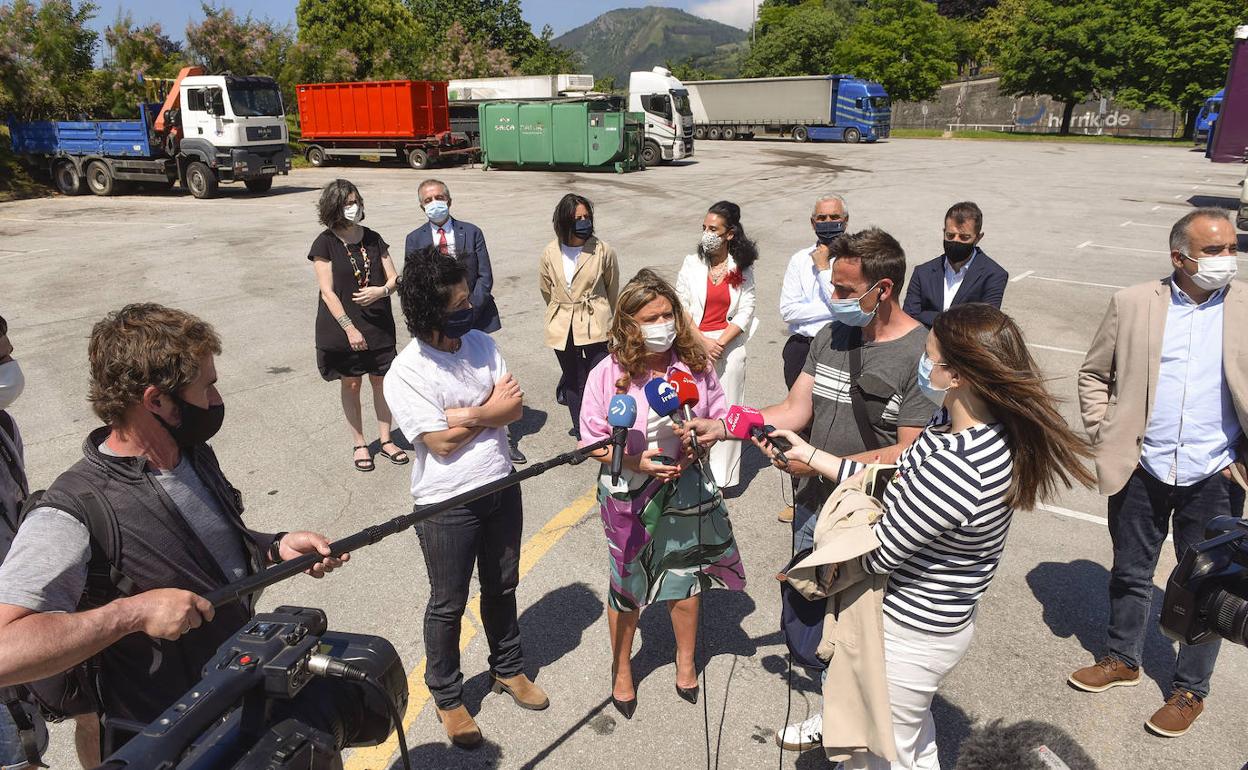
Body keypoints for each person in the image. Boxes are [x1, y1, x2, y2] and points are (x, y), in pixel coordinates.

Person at [0, 304, 344, 763]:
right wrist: (131, 613)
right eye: (207, 386)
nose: (216, 399)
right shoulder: (72, 510)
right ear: (156, 401)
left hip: (233, 702)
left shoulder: (190, 454)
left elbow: (196, 548)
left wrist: (272, 547)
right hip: (165, 737)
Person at [760, 303, 1095, 770]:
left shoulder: (959, 467)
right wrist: (814, 456)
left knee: (880, 753)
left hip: (907, 632)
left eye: (929, 355)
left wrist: (834, 532)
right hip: (930, 623)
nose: (921, 362)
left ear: (956, 375)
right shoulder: (955, 428)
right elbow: (894, 476)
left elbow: (878, 556)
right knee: (911, 738)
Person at [682, 228, 934, 750]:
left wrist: (818, 462)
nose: (832, 298)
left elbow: (908, 453)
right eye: (832, 286)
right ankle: (832, 712)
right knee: (815, 616)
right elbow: (795, 410)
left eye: (844, 290)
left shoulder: (920, 354)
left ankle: (866, 731)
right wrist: (726, 425)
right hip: (815, 507)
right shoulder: (830, 336)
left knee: (861, 629)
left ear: (883, 289)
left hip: (872, 519)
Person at [1069, 207, 1248, 738]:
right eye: (1214, 250)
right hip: (1141, 466)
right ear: (1179, 257)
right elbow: (1093, 373)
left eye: (1231, 248)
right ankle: (1122, 658)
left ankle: (1190, 689)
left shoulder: (1245, 305)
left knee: (1208, 588)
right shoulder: (1132, 303)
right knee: (1130, 571)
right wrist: (1104, 430)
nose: (1228, 258)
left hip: (1215, 473)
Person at [383, 246, 545, 750]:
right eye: (457, 303)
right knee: (448, 603)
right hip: (446, 503)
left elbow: (513, 408)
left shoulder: (481, 343)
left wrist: (462, 415)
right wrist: (485, 412)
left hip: (500, 484)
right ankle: (448, 696)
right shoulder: (407, 371)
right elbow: (439, 444)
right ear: (429, 312)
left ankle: (508, 668)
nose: (468, 307)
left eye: (466, 297)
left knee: (502, 585)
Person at [579, 269, 746, 719]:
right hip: (628, 493)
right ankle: (621, 668)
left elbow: (718, 416)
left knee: (685, 577)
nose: (663, 325)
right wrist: (635, 461)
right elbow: (591, 440)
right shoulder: (607, 374)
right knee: (626, 583)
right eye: (651, 318)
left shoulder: (693, 366)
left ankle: (685, 661)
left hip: (686, 486)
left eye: (668, 314)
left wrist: (699, 445)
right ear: (628, 324)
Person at [404, 179, 526, 465]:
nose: (434, 203)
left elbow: (485, 277)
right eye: (428, 200)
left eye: (439, 197)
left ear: (449, 200)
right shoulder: (415, 239)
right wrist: (441, 318)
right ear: (421, 206)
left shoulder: (471, 232)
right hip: (438, 324)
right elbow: (415, 285)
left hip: (474, 317)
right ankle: (456, 430)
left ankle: (503, 436)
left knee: (487, 381)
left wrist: (467, 312)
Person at [308, 179, 406, 473]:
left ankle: (386, 440)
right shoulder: (325, 242)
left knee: (381, 380)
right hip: (343, 326)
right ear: (335, 206)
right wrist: (349, 328)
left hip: (378, 323)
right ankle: (360, 443)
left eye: (356, 201)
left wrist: (381, 291)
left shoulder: (373, 238)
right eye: (348, 203)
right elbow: (327, 292)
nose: (354, 207)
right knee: (351, 383)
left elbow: (394, 278)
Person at [675, 200, 757, 490]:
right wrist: (702, 341)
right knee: (694, 408)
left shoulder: (742, 267)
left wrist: (719, 343)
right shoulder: (692, 263)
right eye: (704, 228)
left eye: (714, 229)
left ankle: (723, 478)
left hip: (728, 345)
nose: (707, 234)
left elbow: (747, 309)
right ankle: (691, 469)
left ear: (730, 234)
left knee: (728, 410)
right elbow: (681, 305)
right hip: (695, 341)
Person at [0, 314, 50, 770]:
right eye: (1, 360)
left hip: (13, 611)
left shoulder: (4, 427)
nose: (11, 367)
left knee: (26, 748)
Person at [539, 193, 619, 439]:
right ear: (564, 221)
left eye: (587, 217)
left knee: (601, 377)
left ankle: (604, 427)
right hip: (563, 324)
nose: (584, 222)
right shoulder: (550, 252)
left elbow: (612, 288)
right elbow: (546, 289)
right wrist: (562, 310)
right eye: (577, 218)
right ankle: (582, 430)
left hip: (596, 322)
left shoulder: (603, 250)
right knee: (574, 380)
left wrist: (609, 321)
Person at [779, 194, 850, 389]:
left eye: (834, 217)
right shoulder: (799, 259)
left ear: (845, 221)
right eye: (821, 218)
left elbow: (847, 309)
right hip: (802, 348)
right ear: (813, 223)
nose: (828, 222)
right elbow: (788, 312)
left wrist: (823, 268)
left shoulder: (855, 258)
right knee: (797, 407)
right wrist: (834, 310)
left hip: (839, 347)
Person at [903, 202, 1008, 328]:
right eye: (950, 235)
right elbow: (908, 319)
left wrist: (927, 316)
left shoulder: (994, 275)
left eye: (964, 237)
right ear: (944, 232)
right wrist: (961, 320)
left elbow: (985, 325)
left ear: (978, 238)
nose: (955, 241)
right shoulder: (923, 273)